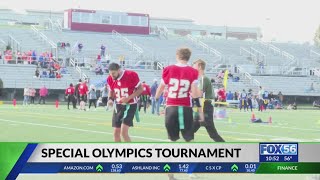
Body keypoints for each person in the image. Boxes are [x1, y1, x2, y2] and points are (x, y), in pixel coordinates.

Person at [155, 48, 201, 180]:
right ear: (189, 57)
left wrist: (156, 99)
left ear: (177, 56)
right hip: (185, 107)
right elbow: (194, 91)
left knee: (171, 140)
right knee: (189, 140)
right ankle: (191, 171)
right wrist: (199, 105)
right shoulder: (193, 71)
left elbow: (161, 88)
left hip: (171, 108)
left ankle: (170, 172)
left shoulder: (168, 69)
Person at [107, 63, 143, 142]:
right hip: (118, 106)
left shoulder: (131, 75)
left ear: (119, 70)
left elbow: (140, 89)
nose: (112, 75)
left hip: (130, 105)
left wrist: (128, 98)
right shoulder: (110, 78)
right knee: (116, 133)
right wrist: (110, 99)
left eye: (113, 73)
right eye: (110, 73)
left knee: (123, 132)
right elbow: (111, 90)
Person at [192, 59, 225, 142]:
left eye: (194, 65)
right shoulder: (201, 79)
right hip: (203, 107)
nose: (192, 67)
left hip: (205, 107)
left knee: (212, 133)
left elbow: (198, 94)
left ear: (199, 66)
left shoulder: (204, 79)